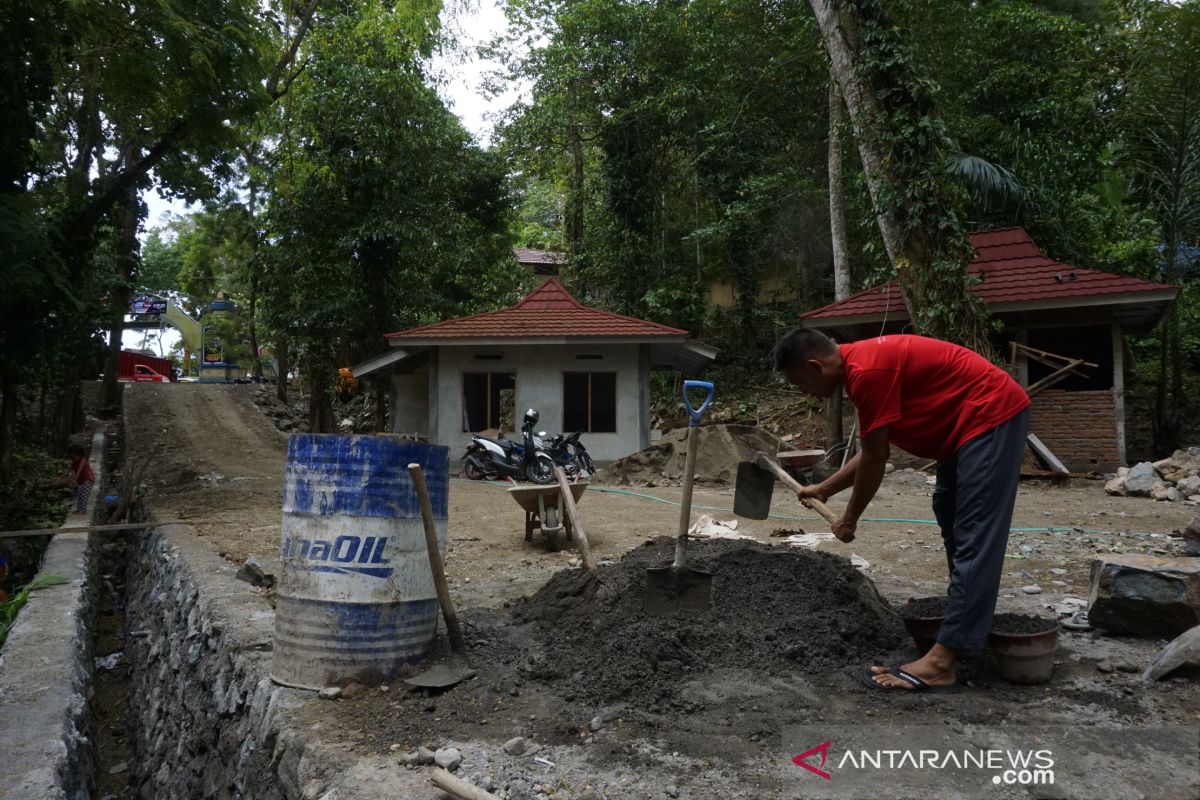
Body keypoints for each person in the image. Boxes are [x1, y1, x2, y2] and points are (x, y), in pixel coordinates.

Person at [775, 329, 1029, 693]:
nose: (805, 392)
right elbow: (872, 448)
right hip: (965, 429)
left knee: (974, 531)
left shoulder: (868, 373)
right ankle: (967, 629)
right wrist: (825, 489)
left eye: (801, 382)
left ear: (816, 366)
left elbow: (878, 459)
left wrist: (850, 518)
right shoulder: (863, 368)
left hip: (990, 416)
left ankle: (943, 661)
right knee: (950, 513)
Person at [67, 443, 95, 514]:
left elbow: (79, 471)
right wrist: (60, 478)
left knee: (84, 495)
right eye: (72, 457)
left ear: (79, 454)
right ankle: (79, 509)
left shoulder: (83, 461)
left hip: (88, 480)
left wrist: (74, 480)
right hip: (81, 481)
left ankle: (83, 510)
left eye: (74, 456)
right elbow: (67, 470)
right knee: (79, 496)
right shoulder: (74, 463)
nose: (73, 458)